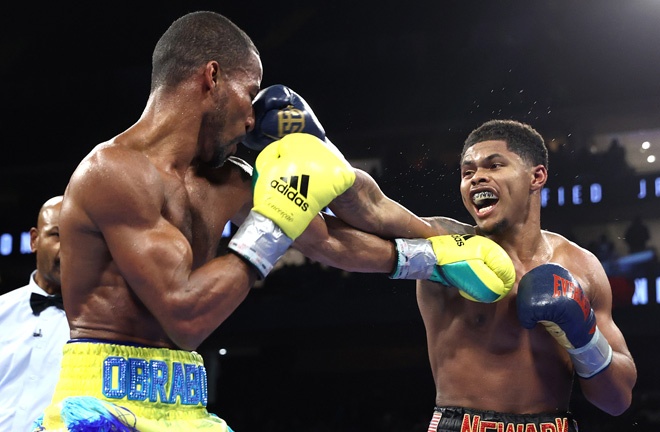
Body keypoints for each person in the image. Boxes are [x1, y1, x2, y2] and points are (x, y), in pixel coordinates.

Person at [35, 11, 514, 432]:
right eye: (248, 93)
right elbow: (184, 313)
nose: (252, 118)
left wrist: (442, 252)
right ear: (212, 77)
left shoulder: (230, 179)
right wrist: (274, 218)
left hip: (187, 406)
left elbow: (337, 230)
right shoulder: (112, 173)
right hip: (102, 403)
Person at [249, 107, 637, 431]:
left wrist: (583, 336)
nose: (476, 177)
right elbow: (373, 206)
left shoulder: (580, 266)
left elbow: (617, 399)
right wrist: (321, 153)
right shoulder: (447, 243)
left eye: (494, 165)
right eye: (467, 171)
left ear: (537, 176)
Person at [0, 195, 69, 432]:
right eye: (57, 235)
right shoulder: (2, 310)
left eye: (79, 237)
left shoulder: (101, 323)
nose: (69, 247)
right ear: (34, 240)